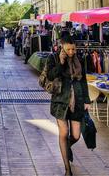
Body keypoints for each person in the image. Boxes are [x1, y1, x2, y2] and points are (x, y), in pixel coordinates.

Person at [45, 37, 90, 175]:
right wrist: (62, 62)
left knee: (76, 135)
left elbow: (83, 80)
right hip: (60, 101)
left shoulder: (80, 59)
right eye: (68, 49)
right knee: (64, 133)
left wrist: (87, 100)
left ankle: (67, 147)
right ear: (62, 47)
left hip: (77, 101)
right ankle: (67, 169)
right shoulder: (53, 57)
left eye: (73, 49)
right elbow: (51, 75)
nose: (71, 52)